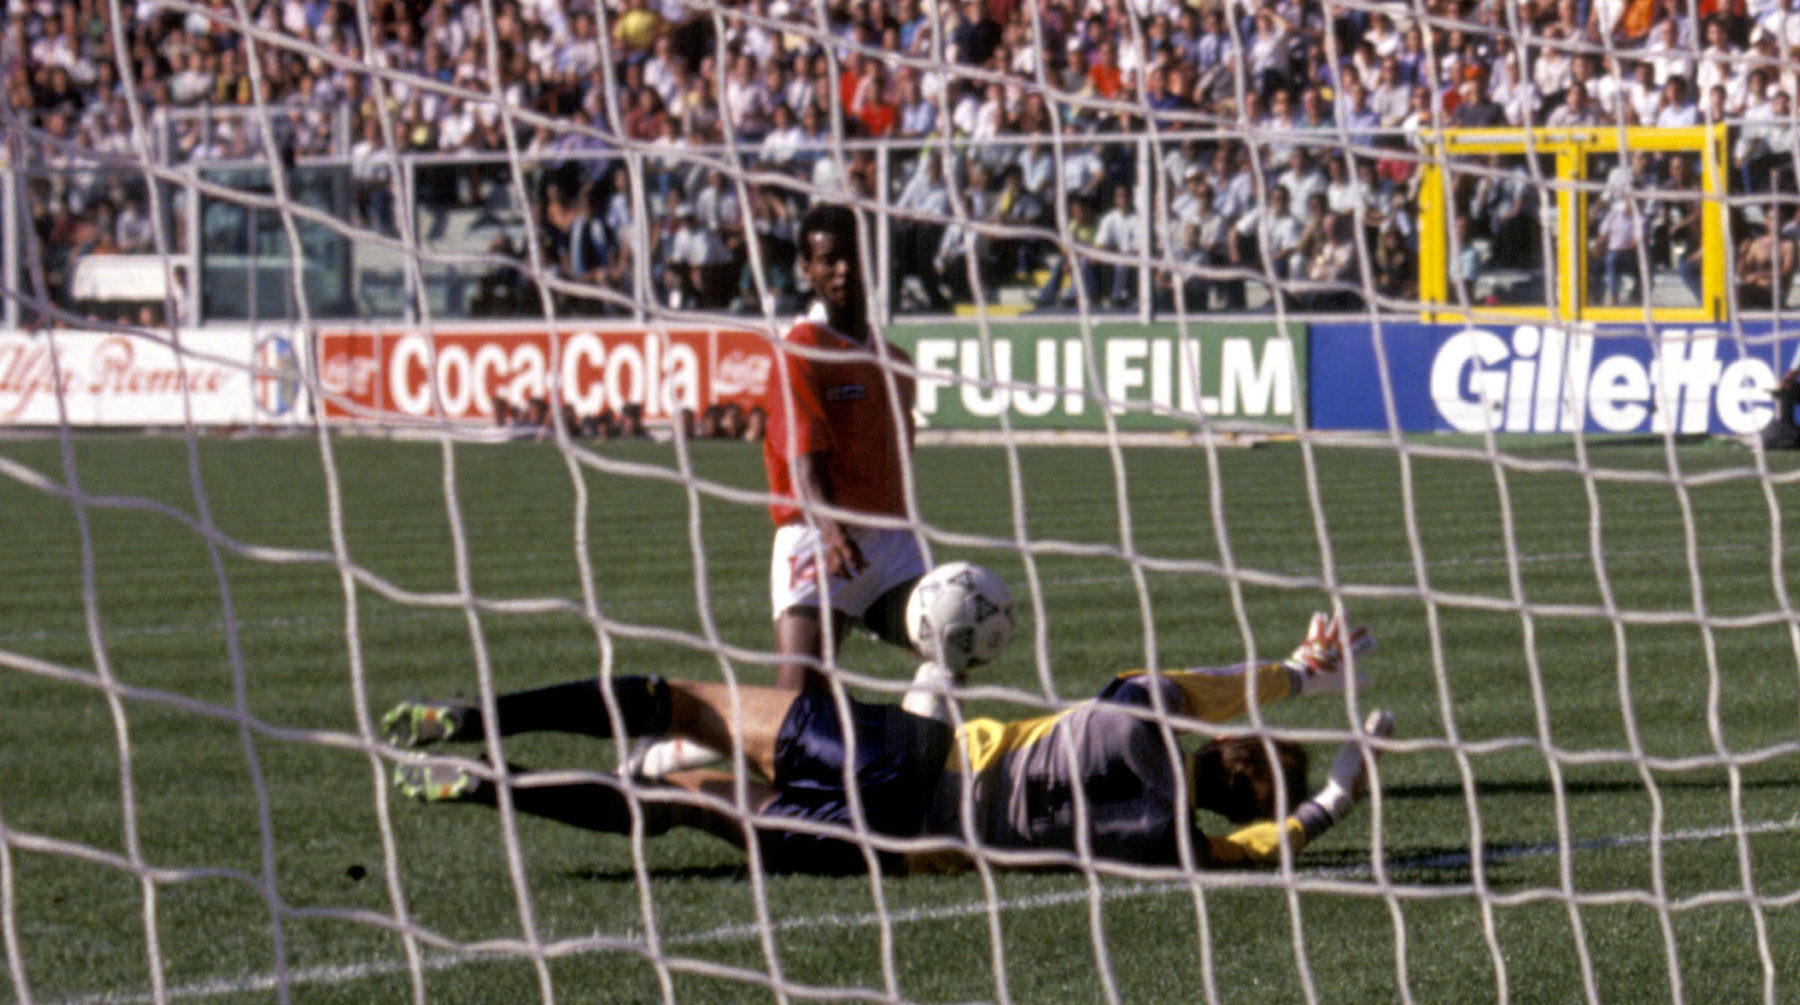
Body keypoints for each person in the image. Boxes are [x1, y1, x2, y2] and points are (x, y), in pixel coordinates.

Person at [383, 611, 1393, 875]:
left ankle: (475, 721)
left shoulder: (1137, 712)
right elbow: (1251, 856)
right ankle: (483, 786)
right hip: (903, 855)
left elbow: (1205, 692)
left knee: (678, 701)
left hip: (908, 754)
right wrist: (1335, 801)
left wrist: (1299, 677)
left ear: (1234, 747)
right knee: (685, 809)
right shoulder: (1173, 839)